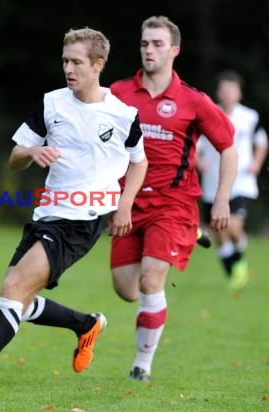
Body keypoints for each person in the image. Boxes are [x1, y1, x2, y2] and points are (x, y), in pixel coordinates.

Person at [0, 27, 148, 387]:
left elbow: (139, 161)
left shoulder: (123, 115)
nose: (68, 68)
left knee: (14, 287)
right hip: (47, 214)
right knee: (16, 294)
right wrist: (32, 152)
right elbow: (15, 157)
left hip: (83, 220)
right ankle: (85, 324)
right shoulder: (51, 103)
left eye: (77, 62)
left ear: (98, 65)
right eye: (65, 60)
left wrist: (125, 205)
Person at [109, 16, 237, 382]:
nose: (149, 50)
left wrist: (223, 199)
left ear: (175, 51)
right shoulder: (118, 93)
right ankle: (190, 234)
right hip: (128, 204)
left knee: (151, 280)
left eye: (158, 44)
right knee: (126, 290)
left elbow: (228, 149)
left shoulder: (193, 101)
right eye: (145, 43)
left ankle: (141, 366)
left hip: (174, 203)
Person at [196, 70, 268, 291]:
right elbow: (195, 147)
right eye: (224, 90)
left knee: (233, 225)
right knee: (218, 231)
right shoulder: (208, 114)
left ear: (239, 93)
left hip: (241, 182)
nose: (227, 94)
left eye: (232, 90)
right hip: (212, 184)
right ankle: (234, 269)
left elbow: (262, 142)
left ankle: (237, 260)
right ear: (218, 92)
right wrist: (200, 163)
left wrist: (256, 162)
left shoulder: (250, 117)